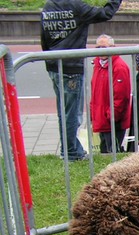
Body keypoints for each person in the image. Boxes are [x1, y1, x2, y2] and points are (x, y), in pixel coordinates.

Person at [40, 0, 123, 161]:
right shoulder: (77, 7)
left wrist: (48, 59)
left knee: (63, 112)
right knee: (73, 114)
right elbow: (105, 13)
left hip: (53, 64)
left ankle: (68, 149)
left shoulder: (49, 6)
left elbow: (44, 36)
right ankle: (71, 152)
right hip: (71, 67)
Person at [89, 34, 131, 154]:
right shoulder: (98, 65)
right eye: (98, 48)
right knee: (105, 153)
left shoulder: (119, 67)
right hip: (102, 119)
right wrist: (93, 113)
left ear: (113, 47)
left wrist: (112, 116)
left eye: (104, 47)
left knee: (113, 153)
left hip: (112, 121)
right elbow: (94, 91)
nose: (101, 51)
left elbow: (121, 97)